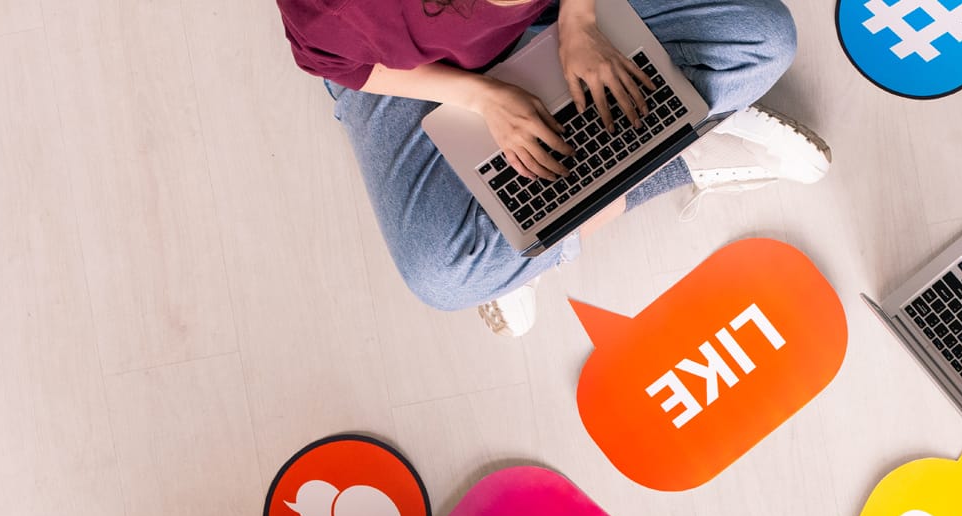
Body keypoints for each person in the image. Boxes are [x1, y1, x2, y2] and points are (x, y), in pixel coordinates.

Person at [277, 0, 831, 335]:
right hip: (414, 66)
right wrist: (483, 96)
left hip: (561, 19)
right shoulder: (339, 10)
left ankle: (523, 245)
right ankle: (678, 159)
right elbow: (336, 62)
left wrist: (580, 21)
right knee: (442, 276)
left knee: (764, 40)